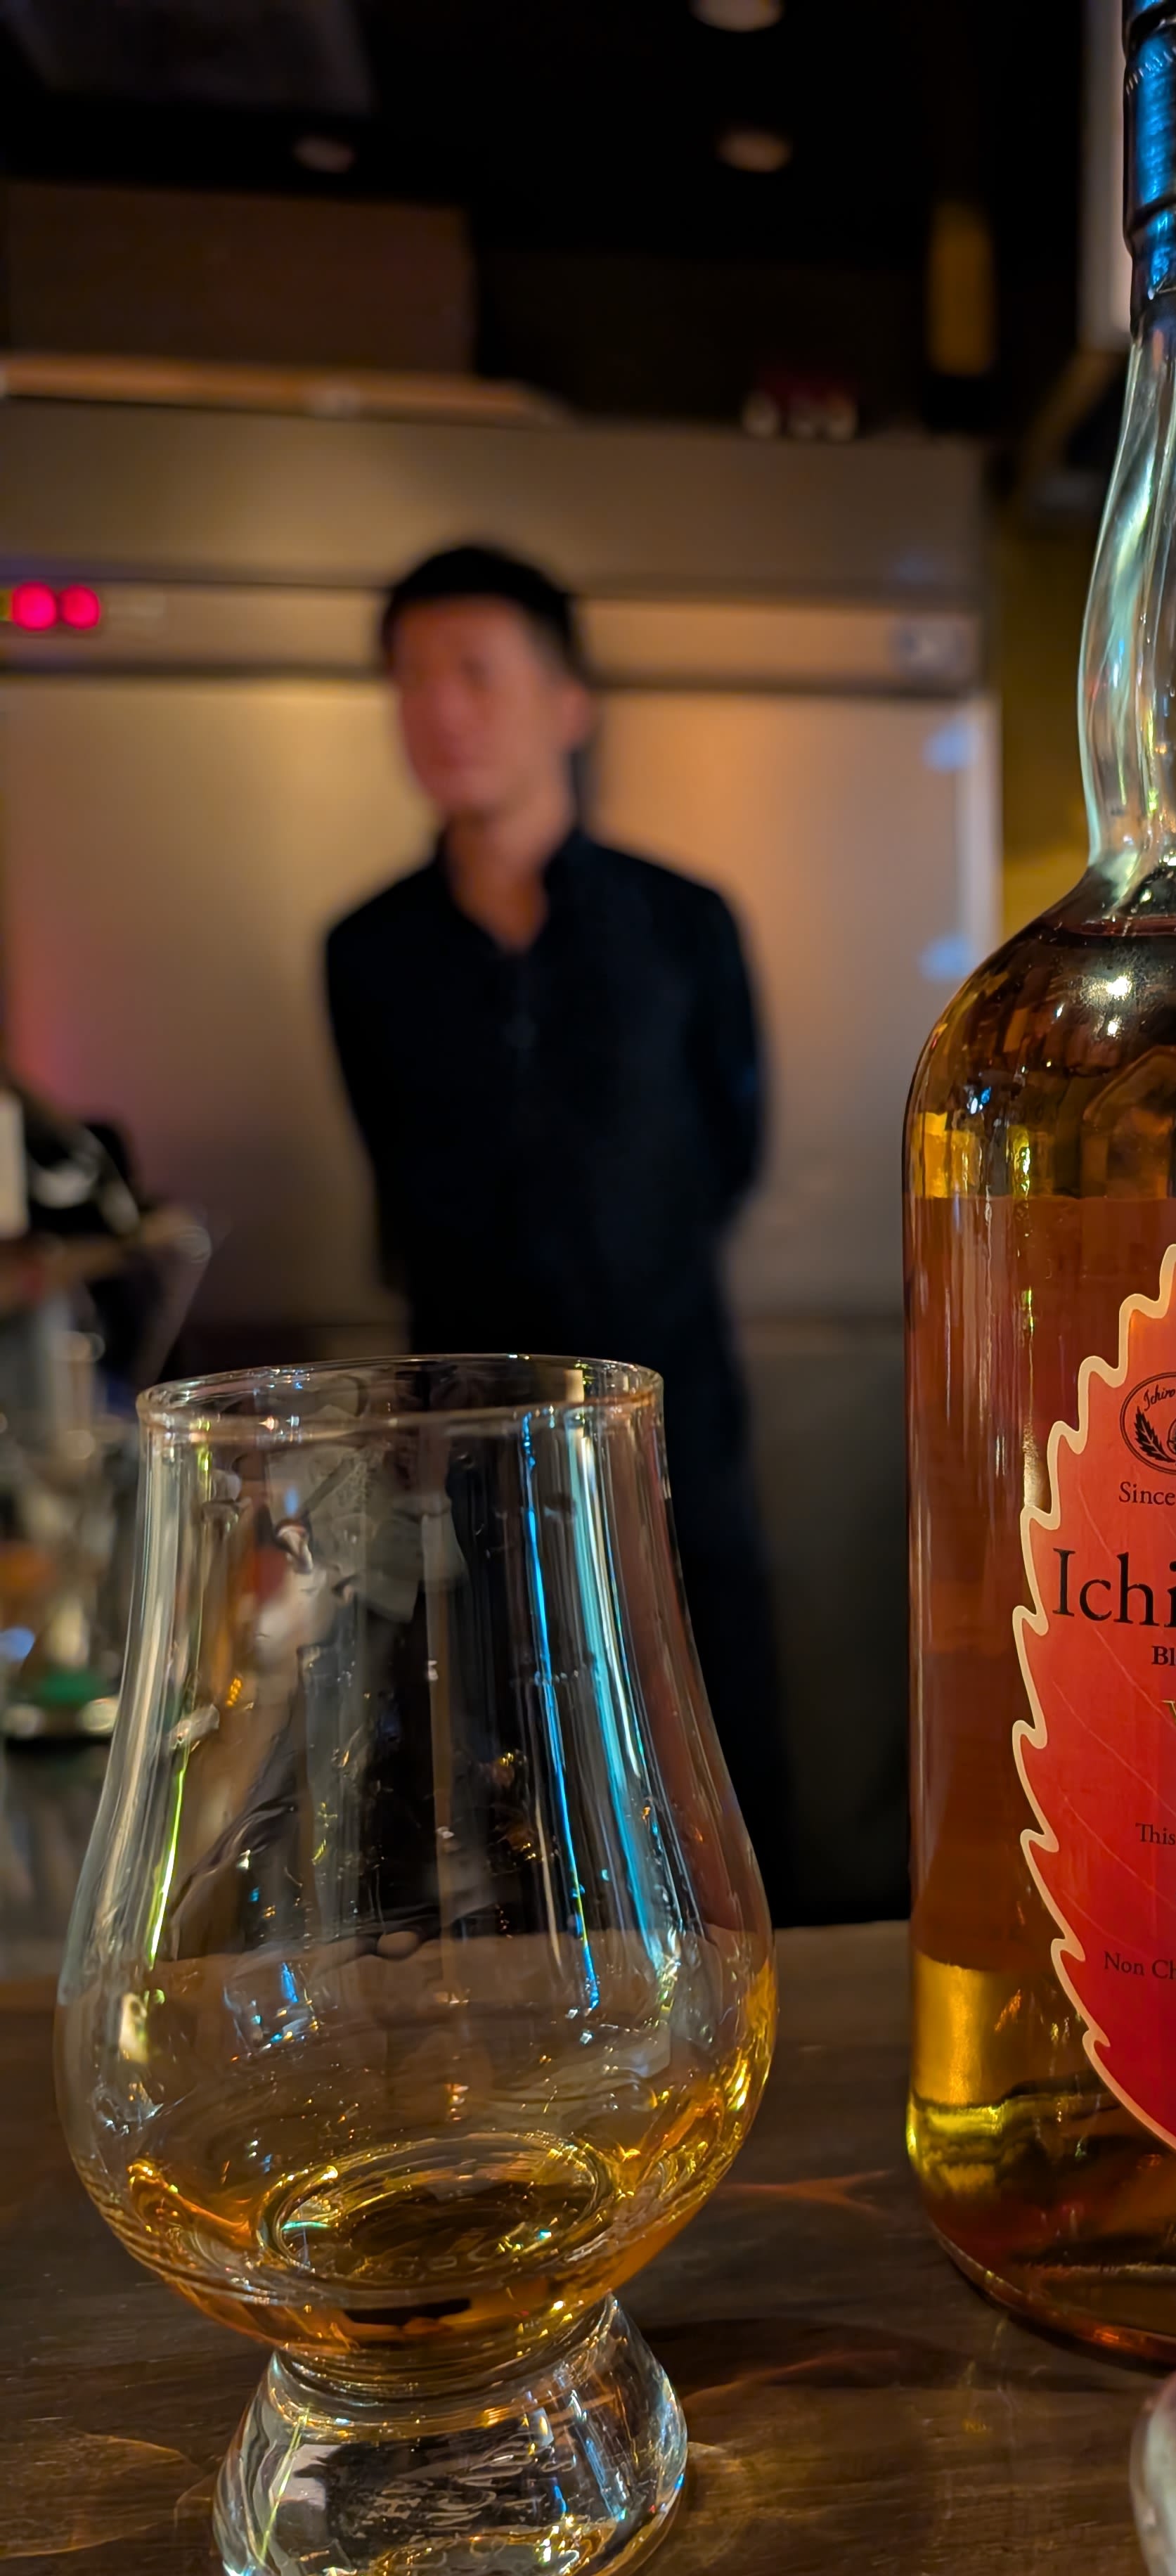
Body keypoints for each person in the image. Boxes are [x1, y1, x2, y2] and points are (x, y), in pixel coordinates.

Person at [325, 542, 791, 1899]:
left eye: (476, 672)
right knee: (486, 1779)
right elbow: (395, 1177)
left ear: (567, 704)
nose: (441, 711)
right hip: (453, 1445)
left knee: (709, 1745)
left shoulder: (681, 925)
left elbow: (731, 1152)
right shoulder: (369, 951)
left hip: (671, 1420)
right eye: (412, 680)